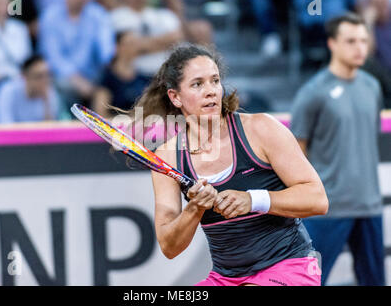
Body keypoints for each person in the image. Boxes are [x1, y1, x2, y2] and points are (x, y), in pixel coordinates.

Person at [125, 44, 328, 286]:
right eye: (197, 84)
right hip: (226, 278)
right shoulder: (168, 157)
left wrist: (252, 200)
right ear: (175, 97)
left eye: (215, 81)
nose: (210, 91)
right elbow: (169, 246)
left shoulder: (261, 128)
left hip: (290, 265)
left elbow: (318, 200)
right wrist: (195, 208)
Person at [291, 13, 385, 286]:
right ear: (332, 43)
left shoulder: (372, 86)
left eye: (364, 41)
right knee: (310, 281)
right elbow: (297, 151)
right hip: (327, 209)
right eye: (351, 41)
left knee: (375, 281)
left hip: (369, 205)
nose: (360, 48)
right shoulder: (313, 92)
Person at [38, 0, 115, 116]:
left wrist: (109, 61)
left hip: (94, 77)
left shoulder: (98, 14)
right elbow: (52, 57)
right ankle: (64, 128)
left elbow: (106, 51)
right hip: (61, 78)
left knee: (109, 84)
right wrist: (76, 79)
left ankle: (100, 131)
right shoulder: (50, 16)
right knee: (61, 86)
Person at [110, 0, 185, 77]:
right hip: (135, 77)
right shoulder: (116, 16)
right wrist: (164, 42)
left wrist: (140, 46)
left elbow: (177, 38)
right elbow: (128, 46)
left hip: (167, 75)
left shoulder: (165, 15)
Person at [0, 55, 62, 124]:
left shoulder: (50, 93)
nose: (45, 81)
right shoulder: (6, 92)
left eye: (48, 75)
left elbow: (50, 133)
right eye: (39, 76)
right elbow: (6, 128)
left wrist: (47, 104)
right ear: (25, 77)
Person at [100, 31, 151, 110]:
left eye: (135, 44)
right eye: (129, 44)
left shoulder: (143, 79)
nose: (132, 48)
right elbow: (100, 112)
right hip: (114, 121)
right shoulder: (107, 80)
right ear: (117, 47)